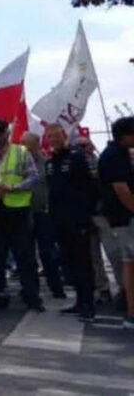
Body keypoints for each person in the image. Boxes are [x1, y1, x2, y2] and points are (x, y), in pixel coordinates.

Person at [0, 118, 44, 311]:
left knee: (25, 257)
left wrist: (13, 188)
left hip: (18, 211)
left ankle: (31, 295)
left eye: (2, 132)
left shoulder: (21, 152)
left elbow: (34, 178)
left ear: (8, 133)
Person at [43, 123, 97, 321]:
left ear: (64, 135)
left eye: (57, 136)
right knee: (69, 264)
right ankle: (79, 301)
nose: (54, 140)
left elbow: (90, 188)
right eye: (50, 137)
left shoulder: (76, 158)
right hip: (59, 221)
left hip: (77, 219)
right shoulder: (50, 163)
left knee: (83, 263)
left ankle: (88, 304)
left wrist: (86, 214)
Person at [96, 116, 134, 330]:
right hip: (124, 217)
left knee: (128, 263)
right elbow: (121, 189)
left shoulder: (121, 153)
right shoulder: (114, 156)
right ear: (126, 135)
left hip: (123, 217)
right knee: (128, 263)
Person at [24, 132, 66, 299]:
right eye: (23, 145)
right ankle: (31, 289)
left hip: (44, 213)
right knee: (27, 254)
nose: (26, 149)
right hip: (25, 214)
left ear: (37, 144)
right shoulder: (19, 165)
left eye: (29, 145)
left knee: (48, 252)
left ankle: (56, 286)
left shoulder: (47, 164)